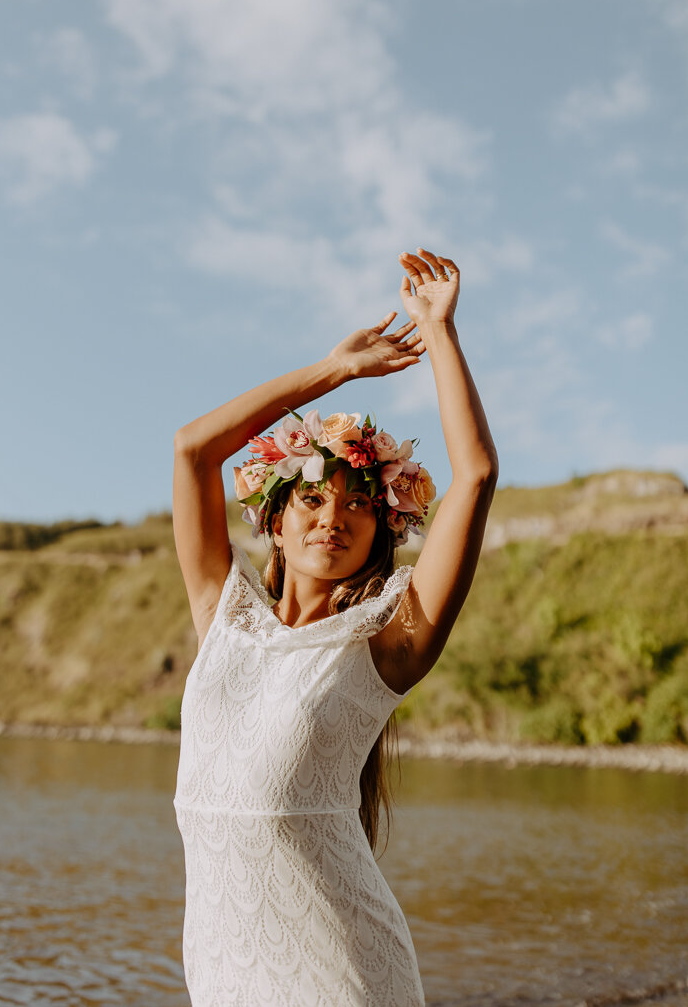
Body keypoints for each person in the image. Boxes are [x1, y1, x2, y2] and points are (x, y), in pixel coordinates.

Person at [171, 248, 498, 1006]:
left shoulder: (385, 643)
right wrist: (334, 370)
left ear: (380, 535)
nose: (334, 518)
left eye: (359, 505)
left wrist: (438, 332)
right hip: (223, 968)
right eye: (314, 499)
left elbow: (474, 476)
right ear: (275, 525)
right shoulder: (224, 619)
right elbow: (193, 449)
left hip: (339, 976)